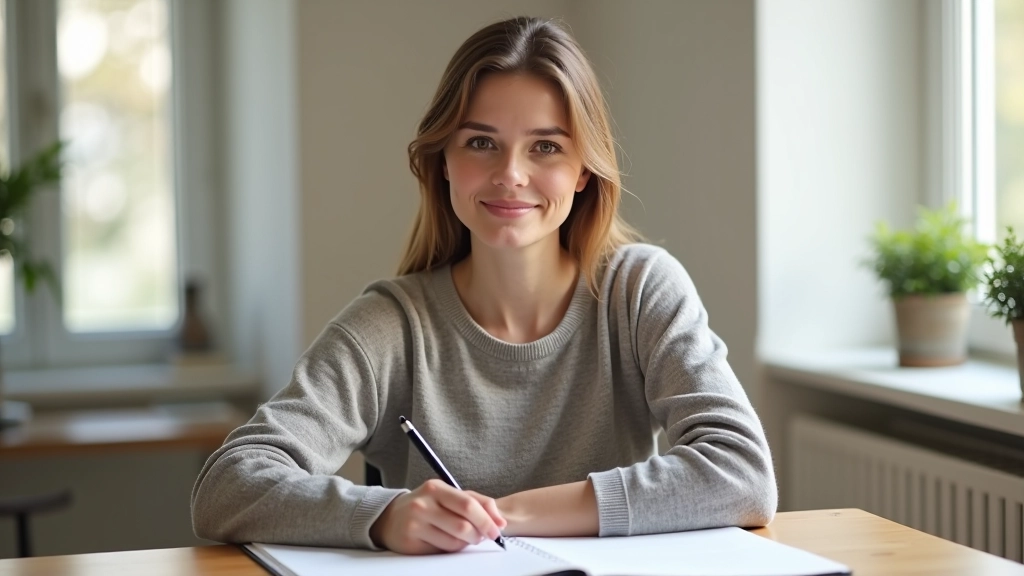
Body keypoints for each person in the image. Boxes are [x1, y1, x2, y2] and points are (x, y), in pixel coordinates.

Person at [191, 16, 777, 556]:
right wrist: (385, 515)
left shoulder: (639, 291)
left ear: (582, 172)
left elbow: (742, 472)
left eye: (545, 146)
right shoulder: (389, 326)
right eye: (480, 143)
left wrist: (505, 515)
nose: (510, 175)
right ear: (443, 160)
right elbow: (227, 485)